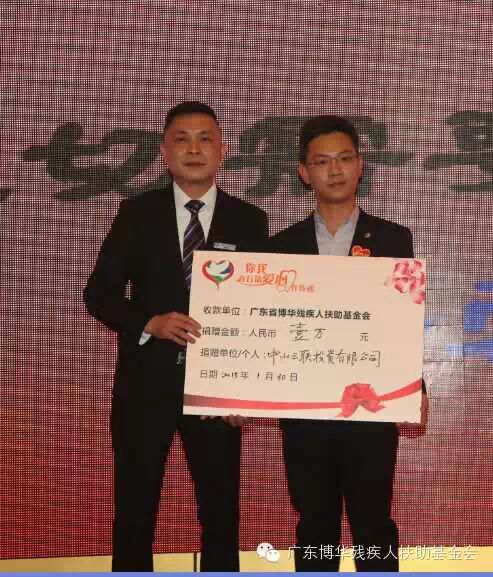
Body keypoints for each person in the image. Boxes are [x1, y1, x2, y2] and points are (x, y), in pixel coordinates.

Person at [84, 101, 268, 572]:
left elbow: (261, 312)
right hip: (144, 388)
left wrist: (245, 390)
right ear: (165, 153)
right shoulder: (137, 213)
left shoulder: (250, 220)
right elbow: (99, 294)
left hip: (217, 394)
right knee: (135, 510)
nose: (194, 149)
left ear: (223, 151)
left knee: (221, 513)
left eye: (205, 139)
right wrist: (150, 322)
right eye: (181, 139)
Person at [269, 115, 428, 572]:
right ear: (304, 173)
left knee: (373, 523)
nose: (334, 170)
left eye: (344, 159)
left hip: (371, 408)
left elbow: (402, 323)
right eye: (322, 162)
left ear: (360, 165)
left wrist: (416, 388)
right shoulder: (281, 246)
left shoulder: (393, 238)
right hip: (305, 411)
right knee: (314, 525)